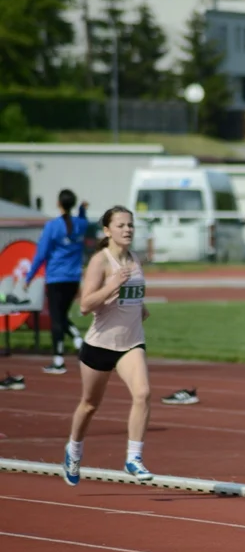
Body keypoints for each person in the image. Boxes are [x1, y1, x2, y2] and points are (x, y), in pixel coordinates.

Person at [62, 206, 155, 487]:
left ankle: (133, 457)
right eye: (121, 225)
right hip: (100, 345)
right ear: (107, 231)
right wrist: (111, 285)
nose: (127, 230)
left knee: (143, 393)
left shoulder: (135, 258)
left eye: (130, 225)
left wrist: (141, 307)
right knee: (90, 405)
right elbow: (85, 305)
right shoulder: (100, 262)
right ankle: (74, 449)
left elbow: (133, 295)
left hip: (131, 343)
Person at [25, 190, 91, 375]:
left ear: (58, 203)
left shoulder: (52, 227)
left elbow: (41, 254)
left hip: (56, 277)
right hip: (73, 278)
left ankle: (59, 361)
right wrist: (82, 211)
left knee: (57, 317)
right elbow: (82, 221)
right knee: (61, 315)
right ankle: (78, 341)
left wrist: (29, 277)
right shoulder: (80, 224)